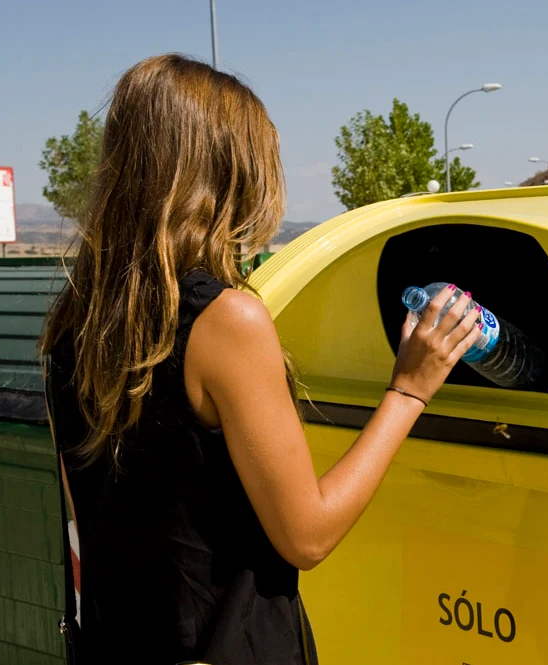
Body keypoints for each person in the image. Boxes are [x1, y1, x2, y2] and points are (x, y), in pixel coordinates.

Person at [40, 54, 481, 664]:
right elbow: (308, 534)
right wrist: (410, 388)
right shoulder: (226, 322)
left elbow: (87, 524)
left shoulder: (73, 323)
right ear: (229, 172)